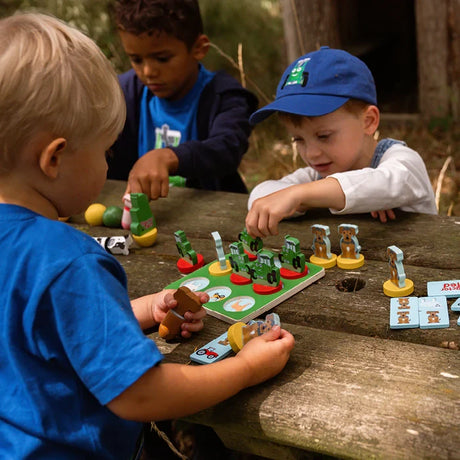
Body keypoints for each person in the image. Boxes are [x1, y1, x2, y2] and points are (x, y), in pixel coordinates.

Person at [0, 13, 294, 459]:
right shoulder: (67, 262)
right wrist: (245, 369)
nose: (107, 166)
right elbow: (141, 394)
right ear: (54, 158)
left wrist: (139, 309)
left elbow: (36, 325)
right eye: (106, 151)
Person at [245, 46, 437, 237]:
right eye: (299, 139)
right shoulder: (317, 176)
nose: (311, 154)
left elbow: (387, 184)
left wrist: (299, 196)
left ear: (368, 121)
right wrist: (302, 196)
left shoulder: (404, 161)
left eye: (324, 136)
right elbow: (261, 196)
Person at [108, 0, 258, 200]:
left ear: (199, 48)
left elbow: (227, 147)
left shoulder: (225, 97)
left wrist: (170, 157)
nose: (148, 72)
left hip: (211, 217)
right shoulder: (121, 94)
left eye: (162, 58)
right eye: (136, 60)